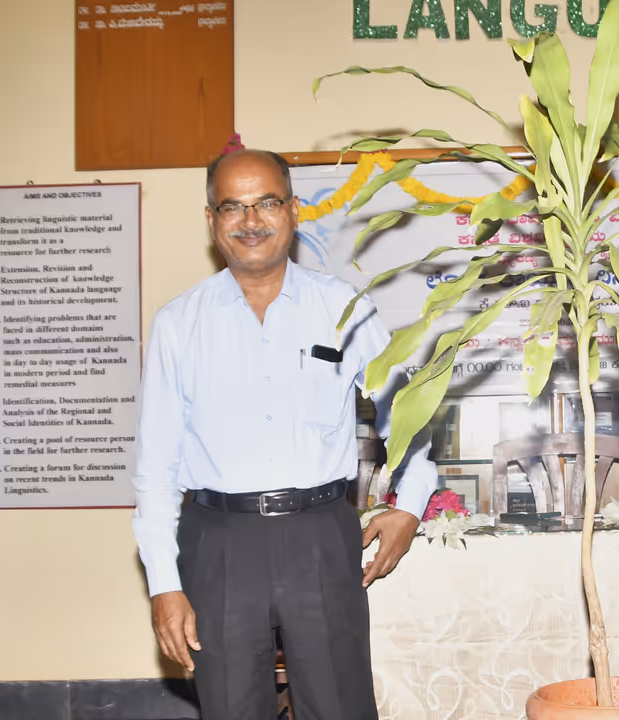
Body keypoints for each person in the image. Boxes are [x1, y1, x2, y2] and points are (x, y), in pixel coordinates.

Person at [131, 149, 436, 720]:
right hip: (218, 543)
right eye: (233, 206)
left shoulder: (343, 308)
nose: (251, 221)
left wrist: (410, 504)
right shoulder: (178, 324)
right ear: (212, 219)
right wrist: (163, 585)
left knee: (340, 708)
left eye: (267, 203)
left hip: (319, 535)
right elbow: (155, 468)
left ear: (293, 210)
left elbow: (409, 409)